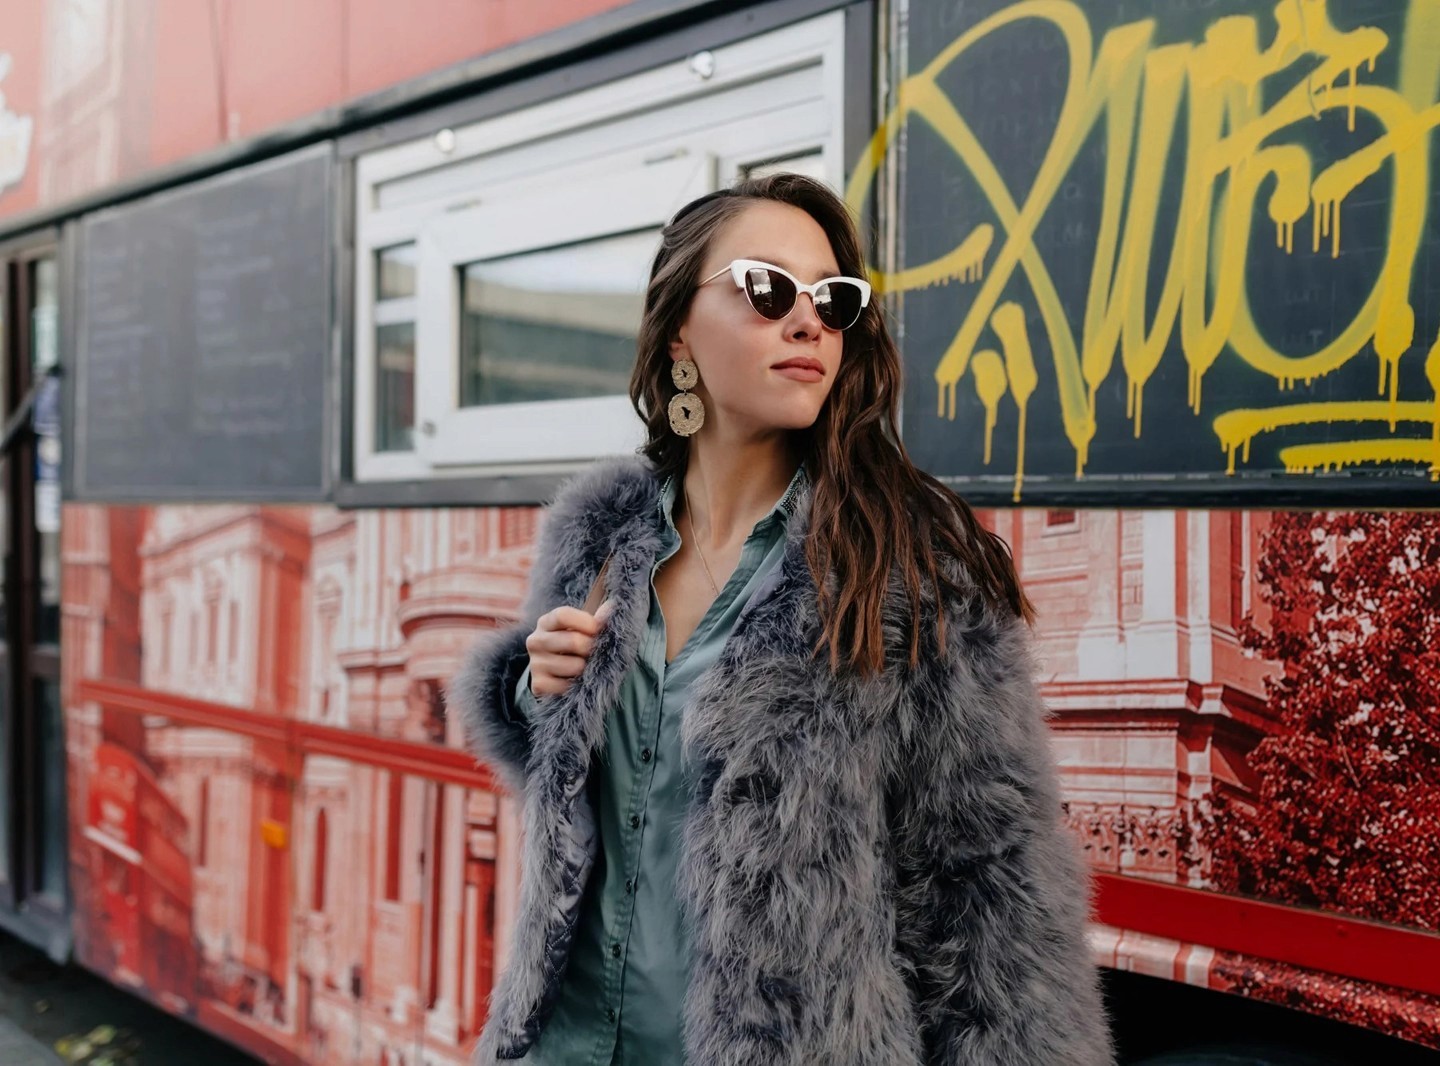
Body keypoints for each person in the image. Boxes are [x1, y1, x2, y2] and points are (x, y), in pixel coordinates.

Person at [450, 173, 1113, 1065]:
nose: (807, 322)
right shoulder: (598, 535)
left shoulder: (908, 572)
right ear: (680, 325)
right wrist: (532, 693)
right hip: (563, 1047)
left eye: (833, 302)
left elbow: (988, 892)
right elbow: (580, 805)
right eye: (767, 290)